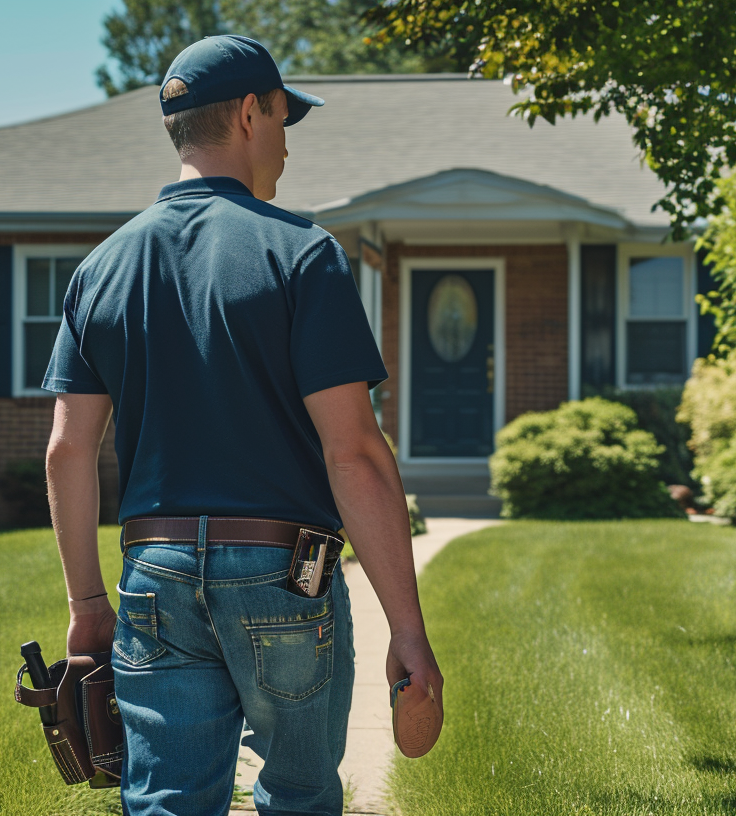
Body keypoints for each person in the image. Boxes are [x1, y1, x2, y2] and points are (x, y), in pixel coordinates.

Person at [40, 34, 442, 816]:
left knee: (166, 800)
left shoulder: (101, 268)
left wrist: (89, 607)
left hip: (152, 573)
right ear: (253, 114)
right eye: (287, 121)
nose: (288, 148)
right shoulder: (302, 255)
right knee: (296, 796)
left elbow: (68, 449)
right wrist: (408, 630)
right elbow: (354, 452)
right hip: (280, 572)